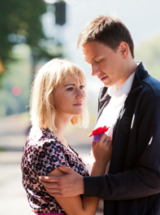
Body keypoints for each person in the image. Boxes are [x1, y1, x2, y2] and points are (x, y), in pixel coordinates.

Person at [39, 16, 160, 215]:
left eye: (98, 60)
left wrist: (86, 185)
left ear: (123, 49)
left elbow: (153, 178)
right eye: (89, 63)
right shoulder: (106, 94)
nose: (94, 72)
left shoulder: (155, 99)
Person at [21, 59, 113, 215]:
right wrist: (100, 161)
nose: (81, 95)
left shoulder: (47, 136)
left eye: (81, 87)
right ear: (48, 95)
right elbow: (82, 214)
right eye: (70, 89)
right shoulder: (47, 145)